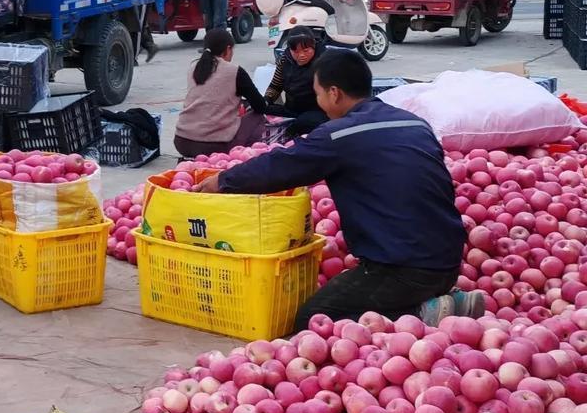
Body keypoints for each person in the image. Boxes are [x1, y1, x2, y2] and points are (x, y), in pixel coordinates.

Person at [195, 48, 479, 329]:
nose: (318, 102)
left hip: (405, 270)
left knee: (316, 318)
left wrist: (223, 181)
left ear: (334, 93)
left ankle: (420, 312)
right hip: (448, 260)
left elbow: (281, 166)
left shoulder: (340, 134)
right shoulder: (414, 123)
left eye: (318, 94)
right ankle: (440, 300)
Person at [173, 28, 270, 157]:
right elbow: (260, 105)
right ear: (228, 49)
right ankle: (245, 157)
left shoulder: (194, 67)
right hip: (215, 146)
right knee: (257, 117)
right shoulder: (234, 71)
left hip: (182, 142)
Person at [265, 28, 327, 139]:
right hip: (291, 109)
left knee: (303, 123)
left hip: (317, 111)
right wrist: (265, 101)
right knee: (259, 110)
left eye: (306, 50)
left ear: (314, 46)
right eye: (296, 52)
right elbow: (276, 85)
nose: (301, 55)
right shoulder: (285, 59)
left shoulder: (325, 60)